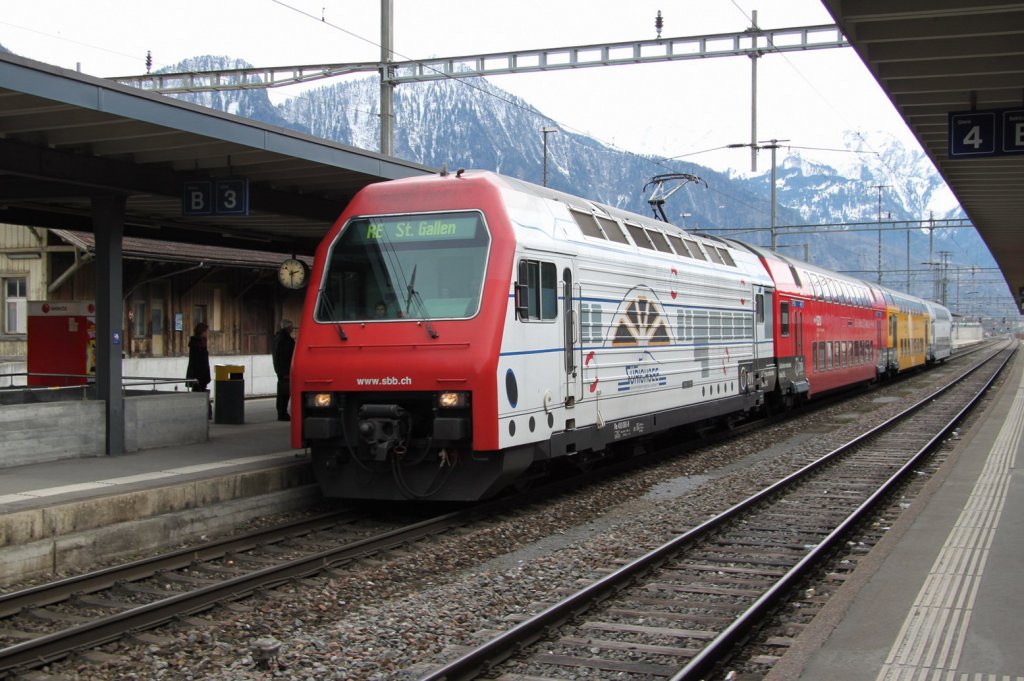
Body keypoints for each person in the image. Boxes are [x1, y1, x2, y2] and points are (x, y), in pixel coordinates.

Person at [272, 319, 296, 421]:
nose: (292, 328)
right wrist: (286, 371)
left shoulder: (278, 338)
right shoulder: (284, 340)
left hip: (281, 370)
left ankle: (282, 412)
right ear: (287, 327)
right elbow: (285, 357)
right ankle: (282, 413)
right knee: (284, 393)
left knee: (282, 392)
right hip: (285, 370)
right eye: (291, 327)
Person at [185, 322, 211, 394]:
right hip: (199, 376)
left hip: (198, 376)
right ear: (202, 332)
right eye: (206, 332)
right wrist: (205, 376)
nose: (207, 334)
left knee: (198, 394)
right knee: (199, 395)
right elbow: (201, 362)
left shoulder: (197, 343)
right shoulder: (199, 345)